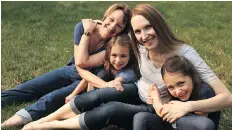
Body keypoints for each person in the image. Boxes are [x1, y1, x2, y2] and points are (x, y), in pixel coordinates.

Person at [19, 4, 232, 130]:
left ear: (158, 24)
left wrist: (185, 106)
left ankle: (49, 125)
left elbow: (227, 97)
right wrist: (90, 29)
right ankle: (45, 118)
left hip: (160, 107)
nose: (144, 36)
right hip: (137, 92)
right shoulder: (137, 46)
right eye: (137, 32)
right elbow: (86, 61)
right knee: (101, 94)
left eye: (148, 27)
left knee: (110, 109)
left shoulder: (185, 53)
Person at [1, 3, 132, 127]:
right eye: (111, 19)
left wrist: (87, 34)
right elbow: (78, 63)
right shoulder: (82, 26)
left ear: (122, 30)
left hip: (88, 80)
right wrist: (86, 32)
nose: (112, 26)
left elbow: (82, 63)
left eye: (119, 25)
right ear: (106, 15)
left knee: (51, 98)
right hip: (71, 69)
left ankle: (13, 121)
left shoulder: (114, 45)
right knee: (30, 87)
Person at [22, 33, 139, 130]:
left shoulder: (129, 73)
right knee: (100, 73)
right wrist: (73, 94)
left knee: (103, 80)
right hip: (98, 94)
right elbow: (88, 78)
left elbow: (115, 83)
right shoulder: (107, 63)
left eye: (123, 56)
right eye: (114, 55)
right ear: (109, 53)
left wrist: (112, 83)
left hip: (121, 100)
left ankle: (86, 113)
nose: (118, 60)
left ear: (130, 56)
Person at [133, 55, 219, 130]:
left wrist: (157, 103)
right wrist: (156, 97)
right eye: (171, 87)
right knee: (140, 117)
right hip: (175, 125)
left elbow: (198, 124)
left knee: (203, 124)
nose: (178, 92)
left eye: (181, 83)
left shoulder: (203, 91)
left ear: (192, 76)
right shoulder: (175, 93)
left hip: (193, 126)